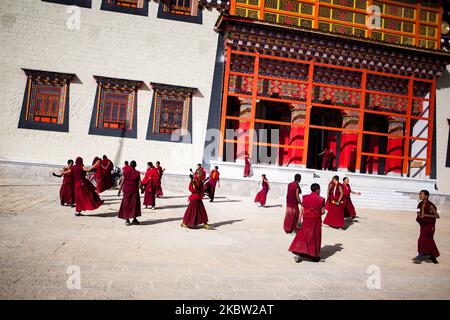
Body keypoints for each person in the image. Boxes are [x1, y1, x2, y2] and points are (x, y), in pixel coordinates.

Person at [289, 183, 326, 263]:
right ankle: (314, 256)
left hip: (306, 220)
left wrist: (299, 220)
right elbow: (323, 212)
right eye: (319, 190)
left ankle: (298, 254)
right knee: (314, 238)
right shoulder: (321, 199)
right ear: (317, 190)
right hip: (315, 221)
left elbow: (302, 209)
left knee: (302, 236)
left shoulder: (305, 197)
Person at [412, 190, 440, 264]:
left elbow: (437, 216)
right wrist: (418, 216)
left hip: (430, 225)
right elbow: (418, 212)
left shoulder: (430, 205)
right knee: (429, 240)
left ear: (426, 196)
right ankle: (432, 257)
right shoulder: (420, 204)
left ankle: (421, 256)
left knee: (422, 239)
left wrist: (425, 215)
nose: (420, 196)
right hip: (423, 225)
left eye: (421, 194)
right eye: (419, 194)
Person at [118, 160, 142, 226]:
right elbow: (140, 184)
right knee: (135, 204)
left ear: (130, 165)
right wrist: (142, 189)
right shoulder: (137, 173)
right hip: (134, 190)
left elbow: (122, 182)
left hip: (126, 191)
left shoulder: (125, 173)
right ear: (135, 166)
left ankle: (127, 220)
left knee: (127, 204)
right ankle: (134, 219)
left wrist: (119, 191)